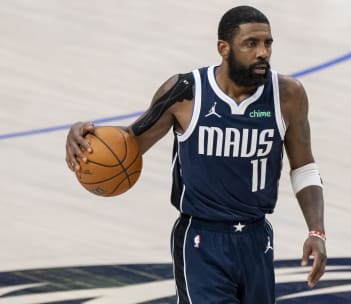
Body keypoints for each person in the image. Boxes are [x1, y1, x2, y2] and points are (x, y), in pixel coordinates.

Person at [65, 5, 326, 303]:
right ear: (223, 48)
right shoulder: (186, 92)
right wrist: (85, 136)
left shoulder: (287, 95)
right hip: (201, 240)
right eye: (251, 44)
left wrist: (316, 231)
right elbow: (130, 142)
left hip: (256, 238)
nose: (262, 52)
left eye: (267, 43)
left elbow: (304, 166)